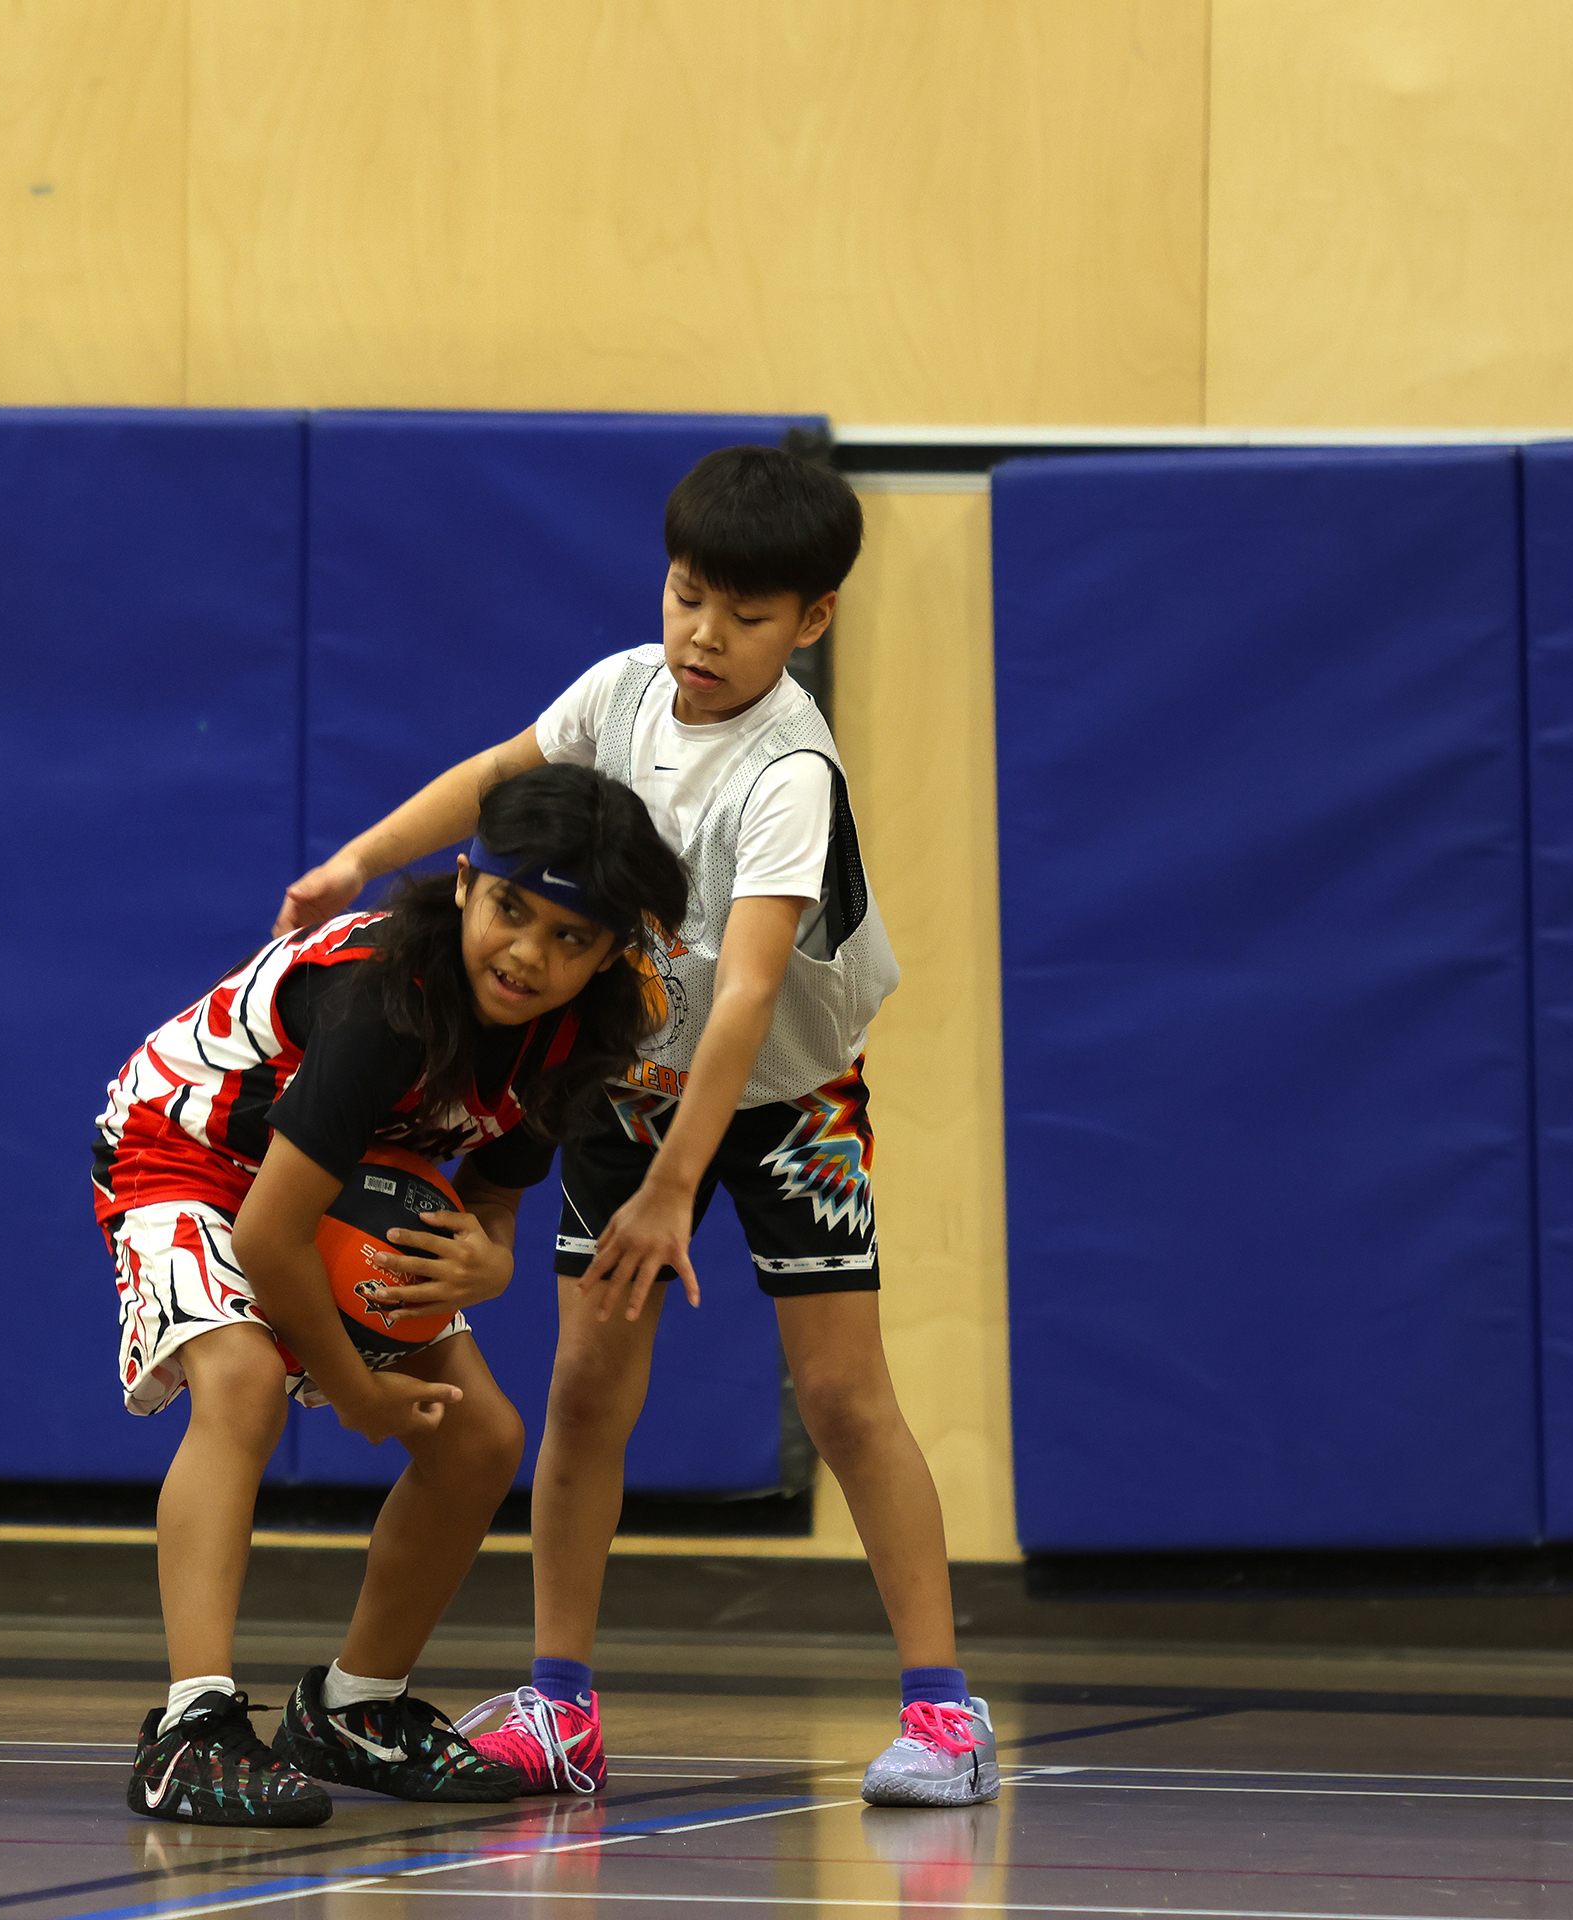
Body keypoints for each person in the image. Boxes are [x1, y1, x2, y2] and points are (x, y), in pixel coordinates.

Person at [274, 445, 996, 1808]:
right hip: (627, 1087)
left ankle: (945, 1713)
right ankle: (561, 1708)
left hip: (788, 1102)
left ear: (813, 623)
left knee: (844, 1394)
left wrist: (673, 1189)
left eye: (747, 613)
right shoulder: (620, 693)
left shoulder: (789, 775)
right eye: (686, 596)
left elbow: (751, 996)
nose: (704, 635)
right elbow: (497, 778)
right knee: (588, 1389)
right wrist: (362, 861)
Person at [101, 763, 687, 1826]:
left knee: (481, 1438)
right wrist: (358, 1397)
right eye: (514, 909)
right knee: (240, 1384)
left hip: (352, 1175)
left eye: (572, 938)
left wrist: (495, 1262)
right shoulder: (386, 1002)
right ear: (465, 882)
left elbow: (495, 1204)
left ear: (610, 953)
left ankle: (355, 1707)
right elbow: (271, 1235)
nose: (529, 954)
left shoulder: (582, 1033)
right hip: (189, 1153)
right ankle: (191, 1728)